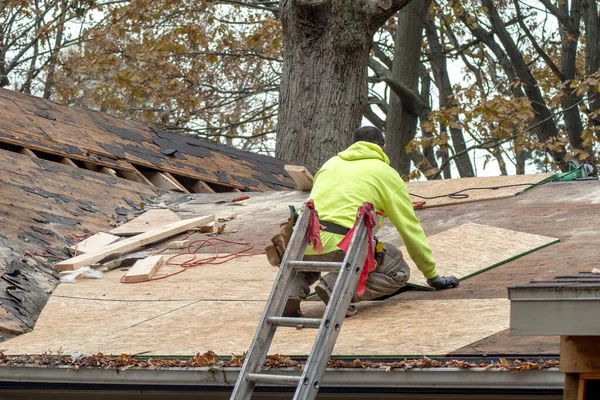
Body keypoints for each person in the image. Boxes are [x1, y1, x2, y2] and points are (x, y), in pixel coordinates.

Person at [284, 126, 459, 317]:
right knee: (397, 269)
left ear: (353, 145)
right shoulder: (385, 173)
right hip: (343, 245)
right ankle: (337, 287)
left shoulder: (329, 164)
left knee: (311, 260)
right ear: (382, 148)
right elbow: (409, 228)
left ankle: (289, 294)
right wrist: (431, 275)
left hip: (303, 243)